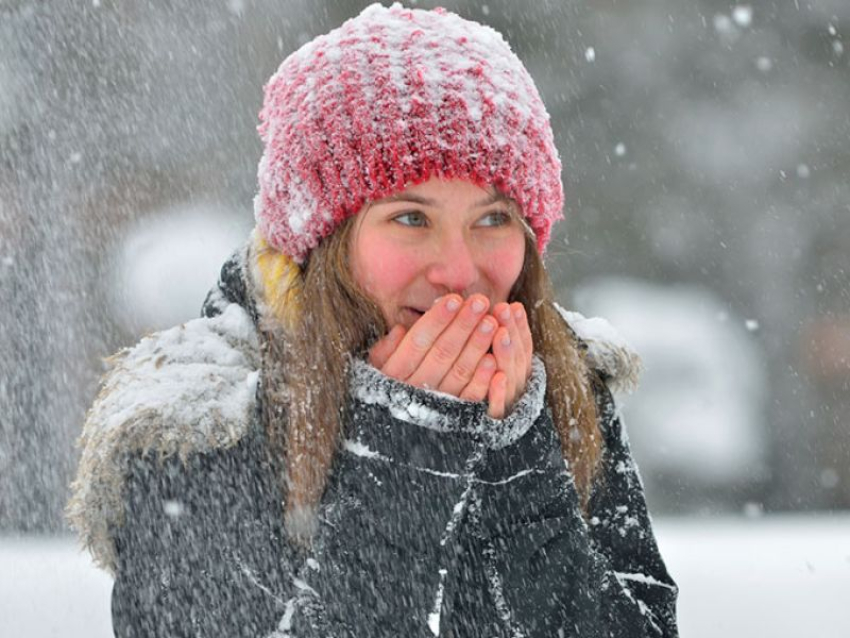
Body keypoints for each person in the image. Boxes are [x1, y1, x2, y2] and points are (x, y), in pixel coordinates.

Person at [68, 4, 678, 637]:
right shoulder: (200, 424)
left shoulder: (560, 384)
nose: (460, 271)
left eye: (493, 219)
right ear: (325, 241)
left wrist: (519, 462)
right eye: (411, 218)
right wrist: (406, 456)